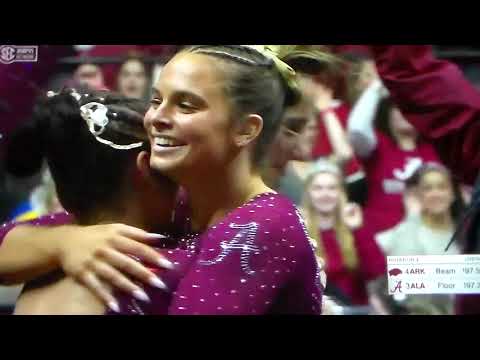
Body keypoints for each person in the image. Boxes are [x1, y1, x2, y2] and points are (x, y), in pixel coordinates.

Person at [1, 45, 332, 315]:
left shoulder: (264, 223)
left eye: (186, 105)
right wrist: (66, 244)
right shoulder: (180, 209)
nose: (157, 117)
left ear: (246, 129)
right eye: (157, 100)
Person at [3, 88, 181, 314]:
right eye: (172, 165)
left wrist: (61, 241)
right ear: (145, 170)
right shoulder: (171, 267)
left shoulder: (41, 257)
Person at [348, 80, 440, 235]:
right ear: (389, 114)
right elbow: (357, 130)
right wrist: (376, 87)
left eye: (413, 110)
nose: (406, 114)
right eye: (400, 108)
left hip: (428, 239)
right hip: (381, 239)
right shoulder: (377, 146)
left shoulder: (435, 150)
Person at [301, 160, 386, 306]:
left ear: (341, 193)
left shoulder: (355, 223)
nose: (325, 194)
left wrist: (358, 229)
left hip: (355, 308)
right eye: (318, 188)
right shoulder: (299, 227)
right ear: (308, 193)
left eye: (332, 188)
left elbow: (378, 273)